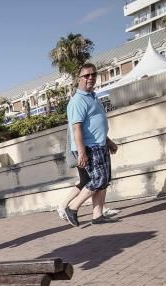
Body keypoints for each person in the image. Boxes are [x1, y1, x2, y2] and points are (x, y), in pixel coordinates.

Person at [60, 63, 119, 227]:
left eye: (93, 74)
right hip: (89, 147)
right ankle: (72, 208)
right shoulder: (78, 100)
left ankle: (97, 215)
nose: (90, 78)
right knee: (98, 179)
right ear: (79, 79)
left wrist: (109, 141)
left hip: (100, 144)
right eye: (86, 75)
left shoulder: (93, 97)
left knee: (104, 180)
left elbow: (95, 125)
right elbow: (77, 128)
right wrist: (81, 152)